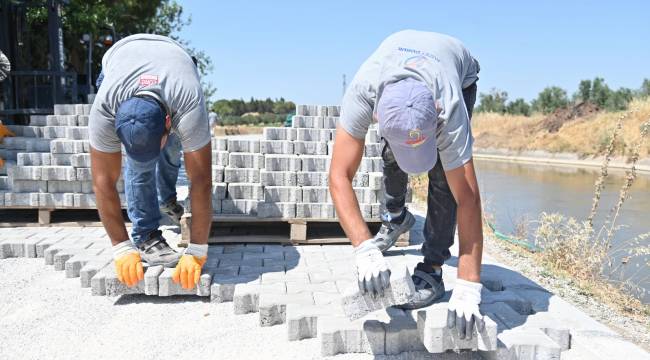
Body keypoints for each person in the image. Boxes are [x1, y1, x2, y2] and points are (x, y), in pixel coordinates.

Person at [329, 30, 483, 339]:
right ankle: (396, 217)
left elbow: (468, 198)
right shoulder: (362, 92)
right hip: (400, 77)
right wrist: (363, 247)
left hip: (458, 73)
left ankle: (433, 269)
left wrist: (468, 285)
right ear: (376, 117)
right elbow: (338, 175)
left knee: (443, 177)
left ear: (437, 116)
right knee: (391, 155)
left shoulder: (449, 108)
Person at [89, 34, 212, 290]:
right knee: (140, 166)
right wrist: (121, 246)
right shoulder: (104, 109)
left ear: (169, 122)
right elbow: (103, 182)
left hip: (176, 60)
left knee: (176, 148)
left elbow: (200, 179)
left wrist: (197, 249)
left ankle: (166, 200)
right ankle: (146, 236)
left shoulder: (188, 101)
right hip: (118, 61)